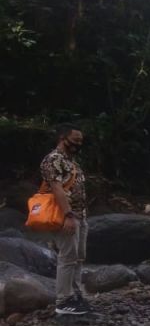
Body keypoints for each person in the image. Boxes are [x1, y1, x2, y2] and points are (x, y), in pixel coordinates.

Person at [40, 123, 90, 315]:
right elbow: (57, 189)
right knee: (68, 257)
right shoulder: (53, 159)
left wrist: (80, 216)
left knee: (78, 257)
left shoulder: (72, 162)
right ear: (63, 138)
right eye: (75, 140)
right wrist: (67, 215)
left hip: (80, 216)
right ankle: (63, 301)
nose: (78, 144)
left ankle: (75, 295)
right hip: (65, 216)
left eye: (81, 141)